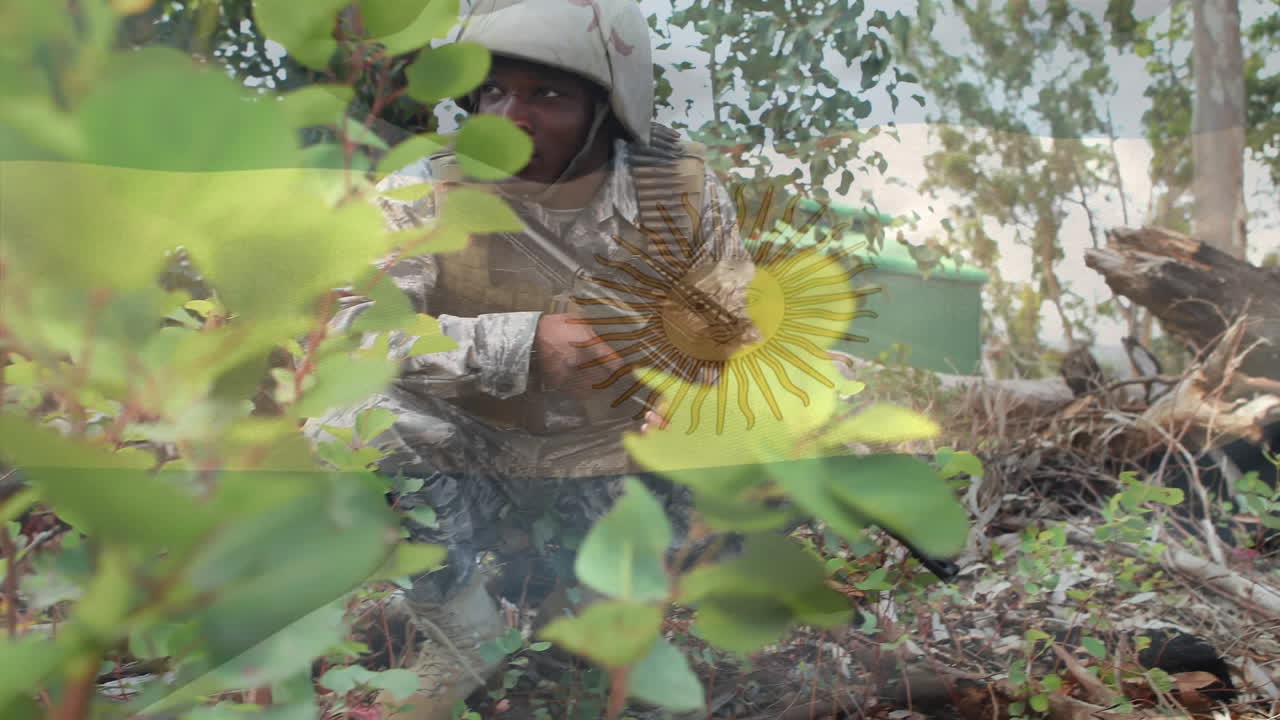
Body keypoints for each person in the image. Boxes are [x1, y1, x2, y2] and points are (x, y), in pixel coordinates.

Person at [308, 1, 756, 717]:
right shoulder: (429, 190)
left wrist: (699, 391)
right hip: (477, 464)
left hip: (617, 474)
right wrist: (520, 347)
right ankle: (462, 625)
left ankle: (623, 618)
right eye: (492, 92)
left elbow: (743, 340)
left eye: (547, 93)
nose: (510, 117)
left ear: (608, 110)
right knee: (343, 416)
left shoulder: (679, 195)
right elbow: (347, 332)